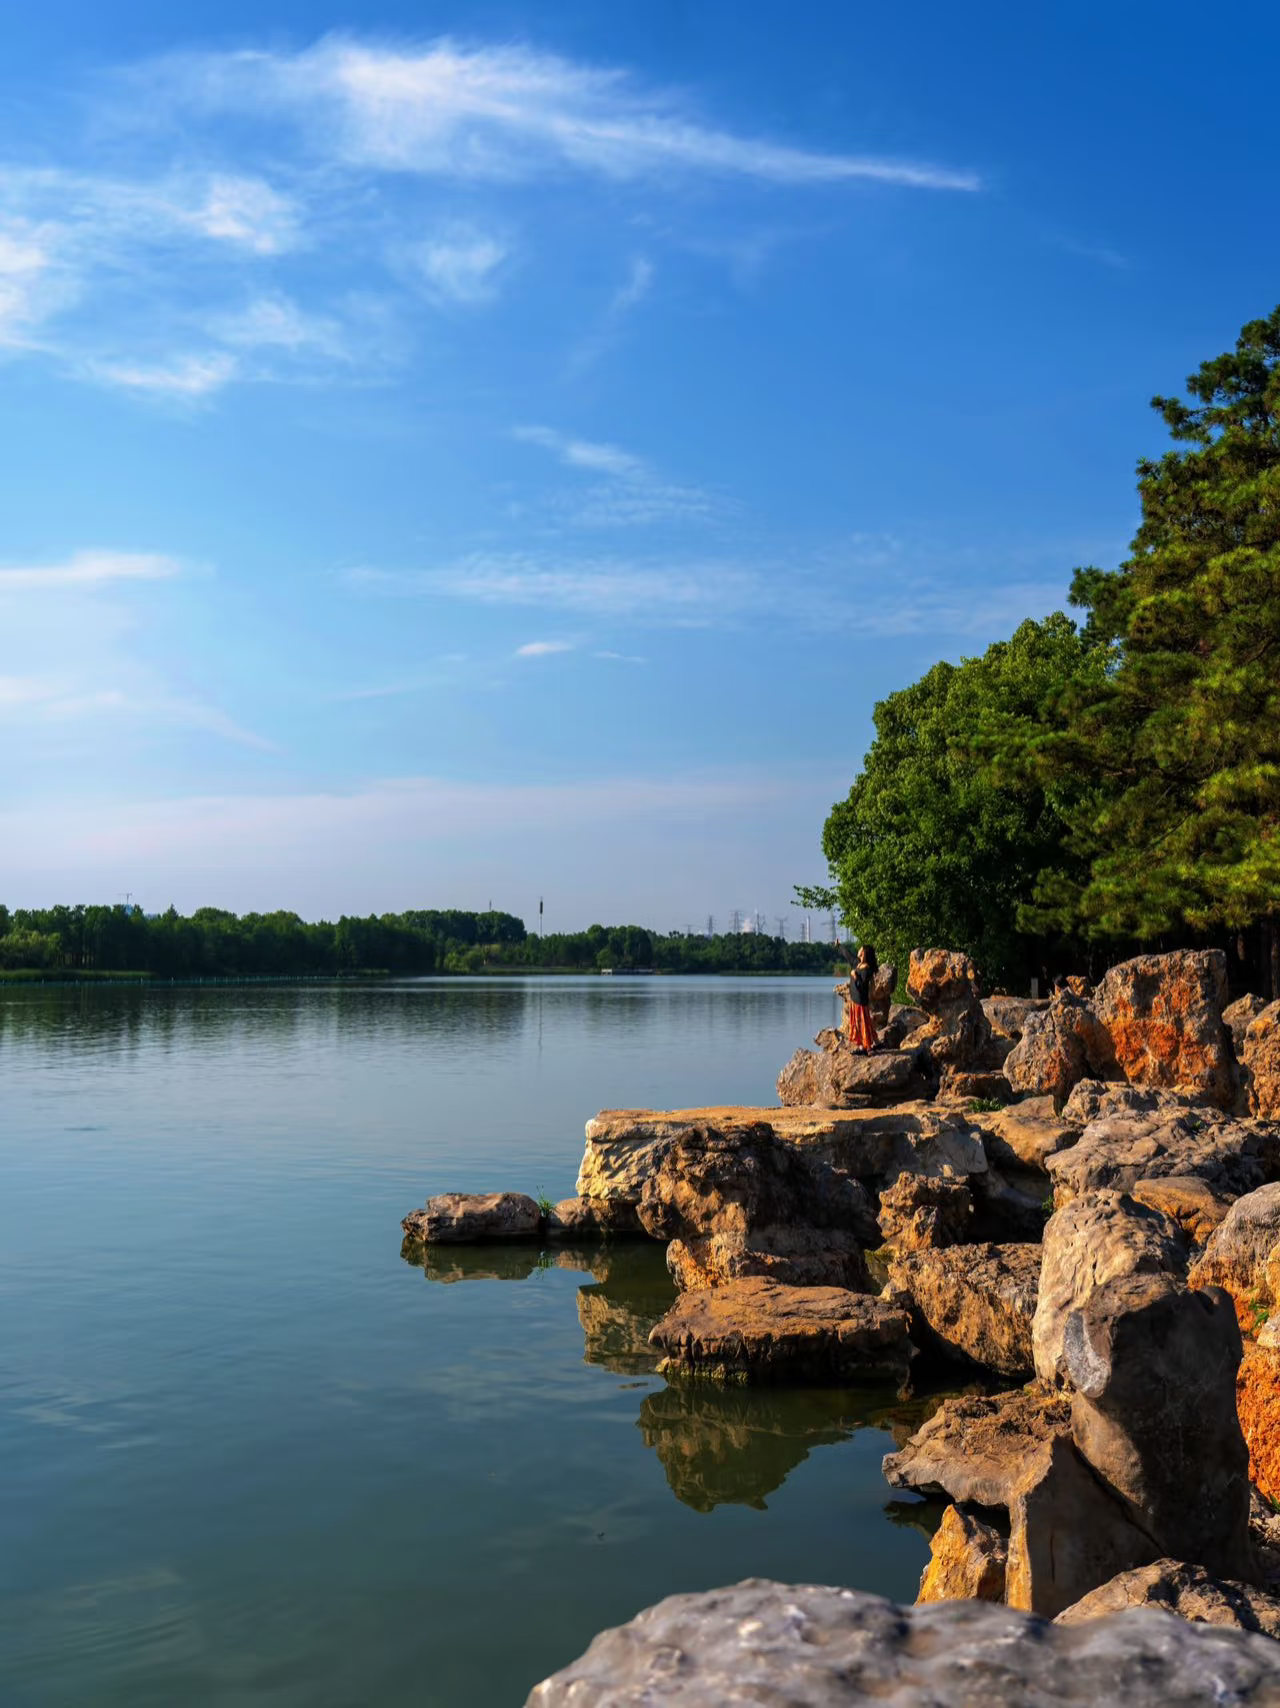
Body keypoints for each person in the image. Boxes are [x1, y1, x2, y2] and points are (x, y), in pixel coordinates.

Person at [836, 942, 879, 1055]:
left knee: (862, 1024)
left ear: (864, 953)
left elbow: (862, 986)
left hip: (860, 1001)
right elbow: (848, 955)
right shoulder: (857, 963)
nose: (859, 949)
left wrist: (855, 976)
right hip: (854, 1000)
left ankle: (866, 1048)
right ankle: (871, 1044)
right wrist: (839, 946)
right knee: (859, 1023)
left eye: (861, 948)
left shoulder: (866, 970)